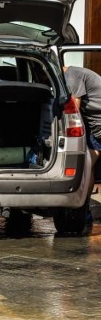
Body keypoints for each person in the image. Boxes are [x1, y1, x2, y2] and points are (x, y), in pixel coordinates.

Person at [64, 66, 101, 212]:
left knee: (87, 166)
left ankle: (82, 209)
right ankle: (84, 209)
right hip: (94, 125)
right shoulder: (73, 74)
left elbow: (74, 110)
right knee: (88, 165)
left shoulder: (71, 76)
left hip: (98, 125)